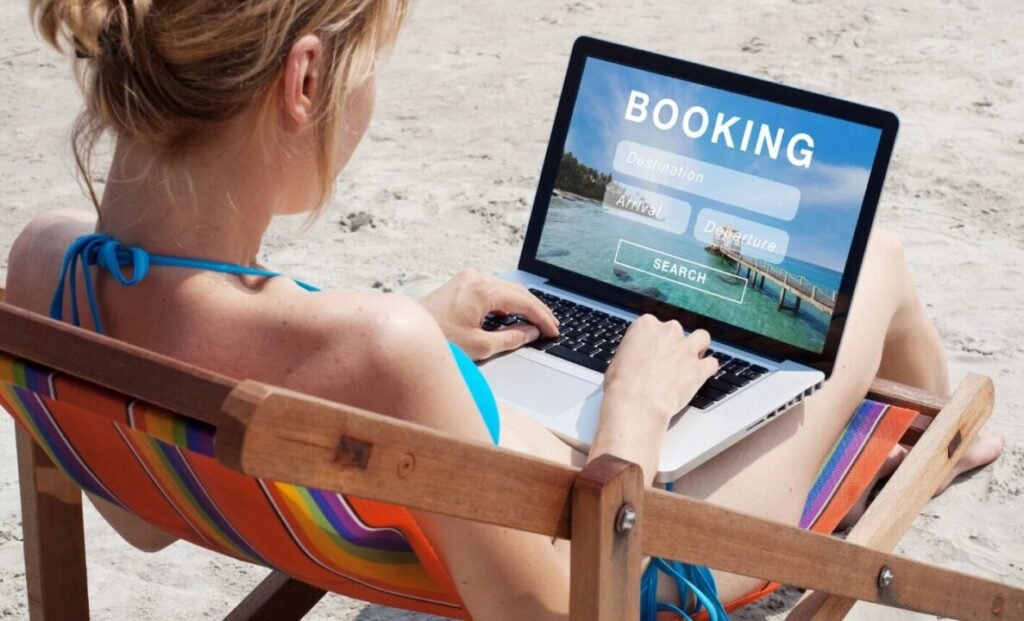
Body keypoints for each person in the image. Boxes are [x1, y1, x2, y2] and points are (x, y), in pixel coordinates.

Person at [5, 1, 1004, 618]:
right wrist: (634, 417)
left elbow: (139, 523)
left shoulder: (47, 264)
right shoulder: (374, 347)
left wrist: (410, 344)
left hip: (481, 475)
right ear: (303, 79)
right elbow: (561, 613)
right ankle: (923, 448)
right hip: (650, 544)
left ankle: (925, 448)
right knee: (870, 254)